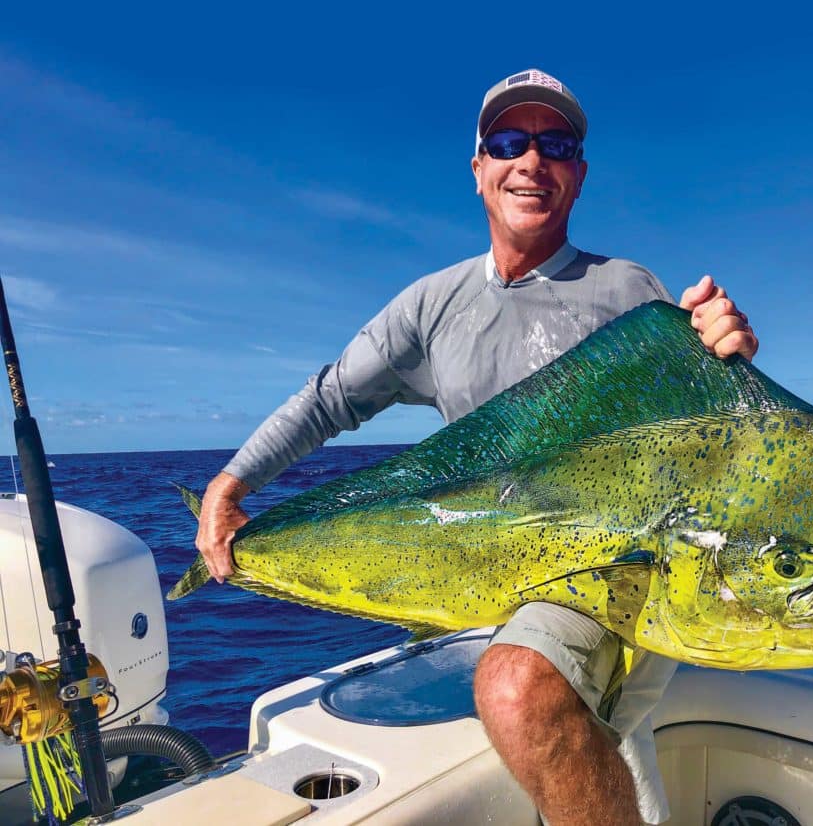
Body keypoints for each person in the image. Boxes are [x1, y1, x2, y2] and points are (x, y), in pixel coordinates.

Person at [195, 68, 758, 826]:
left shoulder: (630, 292)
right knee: (581, 737)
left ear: (579, 175)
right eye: (508, 142)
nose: (532, 161)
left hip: (612, 575)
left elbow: (711, 433)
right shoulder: (432, 304)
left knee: (525, 690)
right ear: (479, 170)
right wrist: (230, 484)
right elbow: (330, 398)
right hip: (498, 580)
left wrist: (728, 357)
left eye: (555, 144)